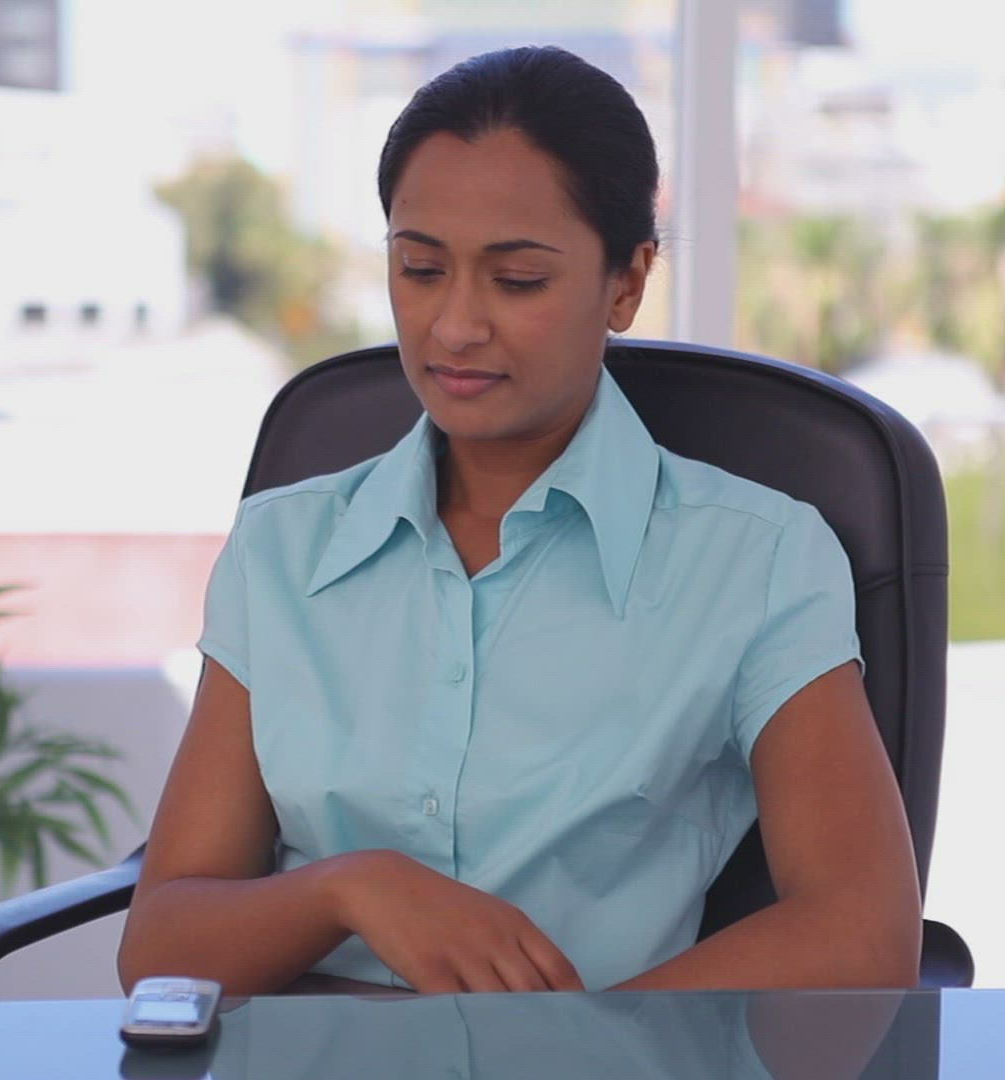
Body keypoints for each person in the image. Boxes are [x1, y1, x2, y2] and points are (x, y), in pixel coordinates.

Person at [118, 46, 921, 997]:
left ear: (626, 283)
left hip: (616, 1055)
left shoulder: (757, 560)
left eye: (518, 281)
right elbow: (160, 946)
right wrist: (353, 889)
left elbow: (860, 930)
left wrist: (577, 1050)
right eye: (421, 269)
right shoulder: (283, 549)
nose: (456, 325)